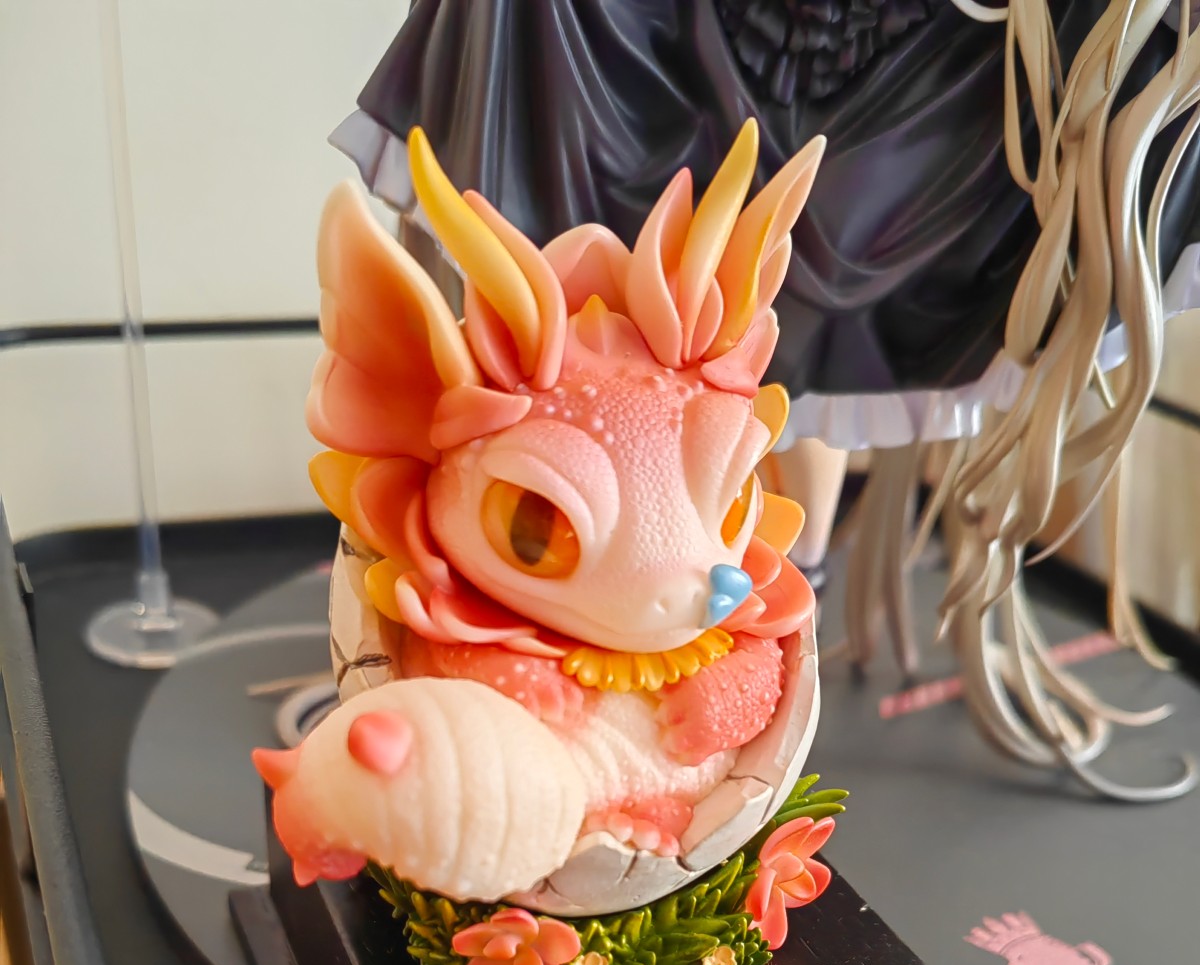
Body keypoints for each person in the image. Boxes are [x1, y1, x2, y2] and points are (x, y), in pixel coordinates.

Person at [332, 0, 1200, 797]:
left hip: (916, 60)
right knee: (662, 368)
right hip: (686, 43)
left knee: (785, 348)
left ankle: (785, 615)